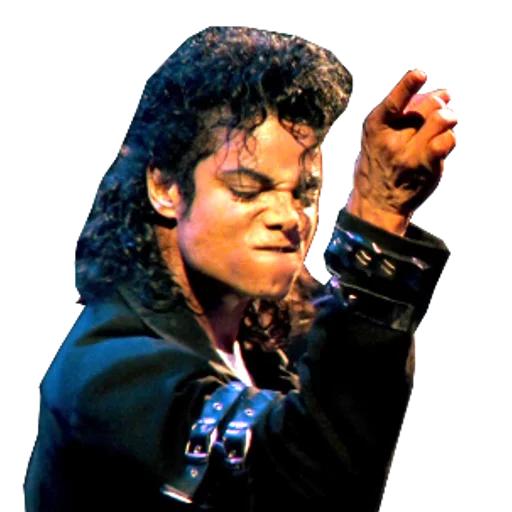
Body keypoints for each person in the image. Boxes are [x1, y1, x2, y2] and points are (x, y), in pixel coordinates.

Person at [24, 25, 457, 511]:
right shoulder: (106, 377)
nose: (288, 217)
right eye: (247, 189)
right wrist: (377, 214)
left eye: (305, 192)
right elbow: (311, 487)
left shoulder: (280, 343)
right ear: (165, 188)